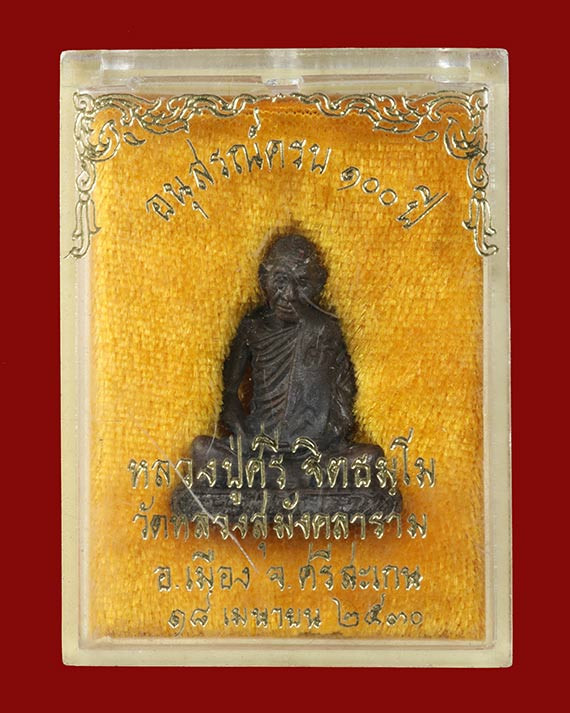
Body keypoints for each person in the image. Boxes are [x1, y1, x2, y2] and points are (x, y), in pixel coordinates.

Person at [172, 234, 401, 519]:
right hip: (260, 450)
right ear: (263, 278)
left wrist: (324, 439)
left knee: (370, 458)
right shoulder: (253, 328)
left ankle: (284, 482)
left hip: (314, 454)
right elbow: (229, 394)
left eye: (302, 283)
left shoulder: (326, 330)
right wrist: (244, 435)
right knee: (202, 450)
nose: (289, 294)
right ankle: (292, 482)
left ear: (319, 284)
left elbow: (344, 399)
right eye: (280, 281)